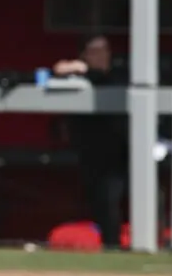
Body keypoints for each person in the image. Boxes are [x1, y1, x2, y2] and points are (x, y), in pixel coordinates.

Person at [53, 34, 128, 251]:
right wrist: (69, 68)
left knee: (117, 198)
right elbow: (53, 75)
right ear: (84, 55)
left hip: (122, 152)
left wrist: (84, 69)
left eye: (105, 50)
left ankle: (122, 245)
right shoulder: (77, 78)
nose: (102, 56)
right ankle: (110, 246)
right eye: (95, 51)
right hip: (91, 153)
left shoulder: (118, 75)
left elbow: (106, 79)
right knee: (101, 202)